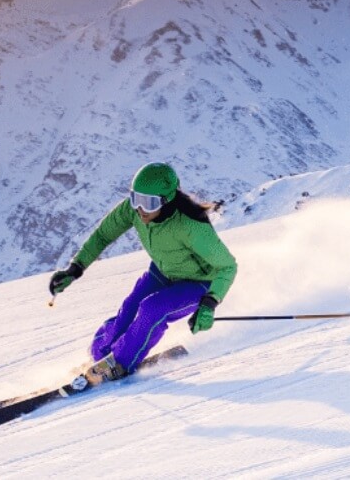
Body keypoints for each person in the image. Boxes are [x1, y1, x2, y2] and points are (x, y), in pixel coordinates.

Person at [47, 162, 237, 384]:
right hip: (163, 273)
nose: (140, 209)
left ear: (167, 200)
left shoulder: (191, 226)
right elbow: (102, 236)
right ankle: (103, 356)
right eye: (136, 199)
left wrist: (210, 303)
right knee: (129, 309)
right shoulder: (133, 210)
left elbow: (228, 266)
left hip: (199, 282)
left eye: (149, 203)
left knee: (152, 308)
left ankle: (121, 364)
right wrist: (75, 268)